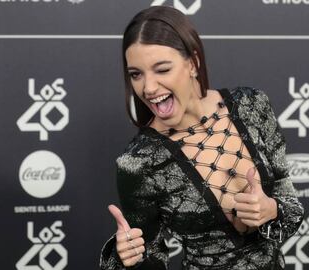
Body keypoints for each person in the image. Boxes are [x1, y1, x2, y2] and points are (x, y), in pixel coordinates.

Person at [99, 6, 304, 270]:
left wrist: (272, 210)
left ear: (193, 63)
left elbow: (292, 210)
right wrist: (126, 257)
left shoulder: (252, 106)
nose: (147, 88)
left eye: (161, 69)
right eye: (136, 74)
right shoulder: (138, 161)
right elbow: (149, 257)